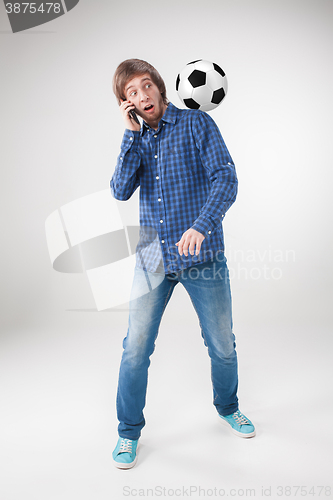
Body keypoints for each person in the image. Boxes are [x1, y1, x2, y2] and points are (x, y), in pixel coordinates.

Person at [110, 59, 255, 469]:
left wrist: (200, 226)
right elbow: (120, 190)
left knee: (222, 345)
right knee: (135, 349)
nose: (141, 96)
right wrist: (129, 136)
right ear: (127, 104)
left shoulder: (196, 124)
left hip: (201, 257)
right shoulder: (136, 138)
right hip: (153, 259)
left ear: (159, 87)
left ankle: (228, 407)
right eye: (131, 93)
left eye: (145, 86)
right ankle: (127, 432)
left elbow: (226, 178)